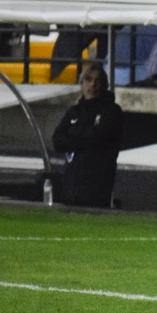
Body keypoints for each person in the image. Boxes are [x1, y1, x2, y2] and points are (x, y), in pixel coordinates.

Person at [51, 66, 124, 208]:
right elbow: (57, 141)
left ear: (105, 85)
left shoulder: (112, 111)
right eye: (88, 80)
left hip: (97, 186)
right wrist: (85, 136)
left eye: (98, 81)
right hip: (72, 185)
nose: (93, 85)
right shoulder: (74, 112)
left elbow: (97, 136)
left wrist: (73, 135)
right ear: (81, 84)